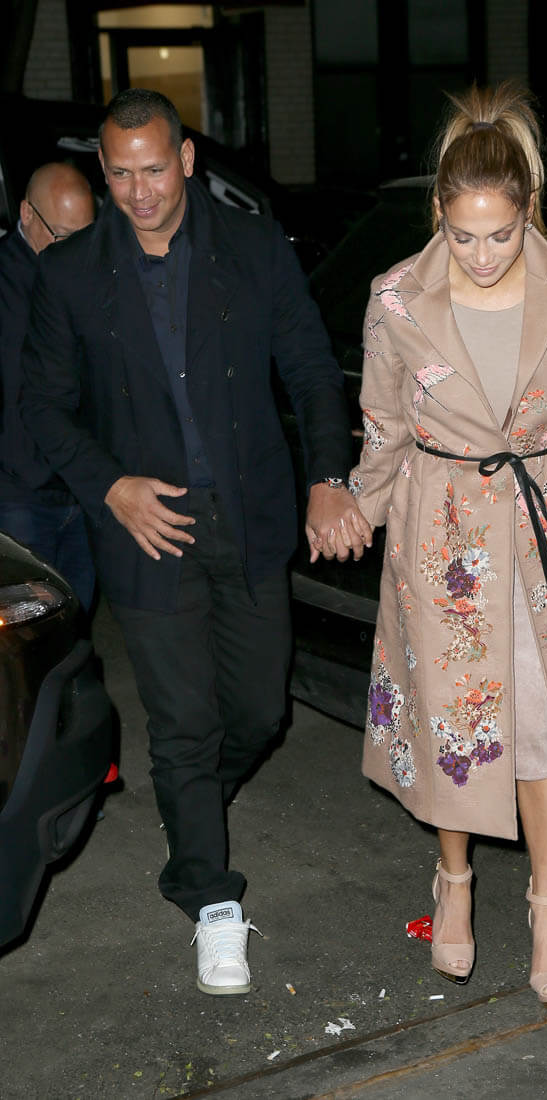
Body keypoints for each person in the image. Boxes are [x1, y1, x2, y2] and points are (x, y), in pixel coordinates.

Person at [21, 88, 371, 995]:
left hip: (249, 518)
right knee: (183, 724)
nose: (139, 192)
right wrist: (111, 485)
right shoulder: (71, 273)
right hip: (147, 529)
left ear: (185, 162)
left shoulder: (251, 248)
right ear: (104, 174)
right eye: (120, 174)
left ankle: (191, 813)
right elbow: (44, 408)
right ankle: (211, 899)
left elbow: (308, 369)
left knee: (257, 713)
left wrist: (329, 478)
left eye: (153, 169)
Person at [349, 82, 547, 1007]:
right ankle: (455, 881)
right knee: (455, 720)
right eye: (462, 233)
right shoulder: (395, 297)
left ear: (529, 210)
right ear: (438, 212)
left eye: (501, 235)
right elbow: (383, 428)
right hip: (441, 536)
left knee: (545, 719)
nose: (480, 255)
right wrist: (354, 506)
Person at [0, 162, 96, 611]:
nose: (75, 250)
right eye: (62, 236)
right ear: (26, 214)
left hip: (80, 487)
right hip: (20, 495)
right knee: (28, 627)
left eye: (85, 236)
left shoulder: (88, 274)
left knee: (75, 617)